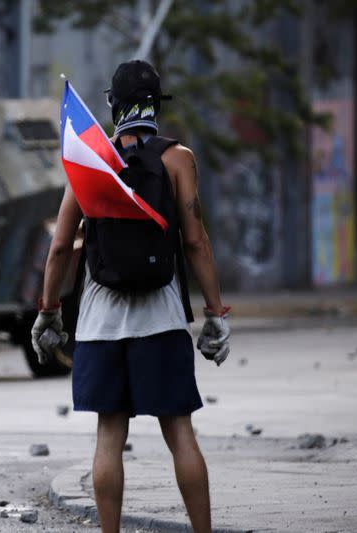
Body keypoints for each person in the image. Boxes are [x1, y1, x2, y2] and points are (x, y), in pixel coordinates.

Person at [32, 60, 230, 533]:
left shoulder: (89, 160)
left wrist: (48, 312)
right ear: (156, 105)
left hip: (100, 326)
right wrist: (214, 313)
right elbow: (196, 241)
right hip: (160, 322)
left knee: (108, 436)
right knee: (180, 433)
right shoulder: (178, 158)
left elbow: (60, 246)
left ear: (113, 105)